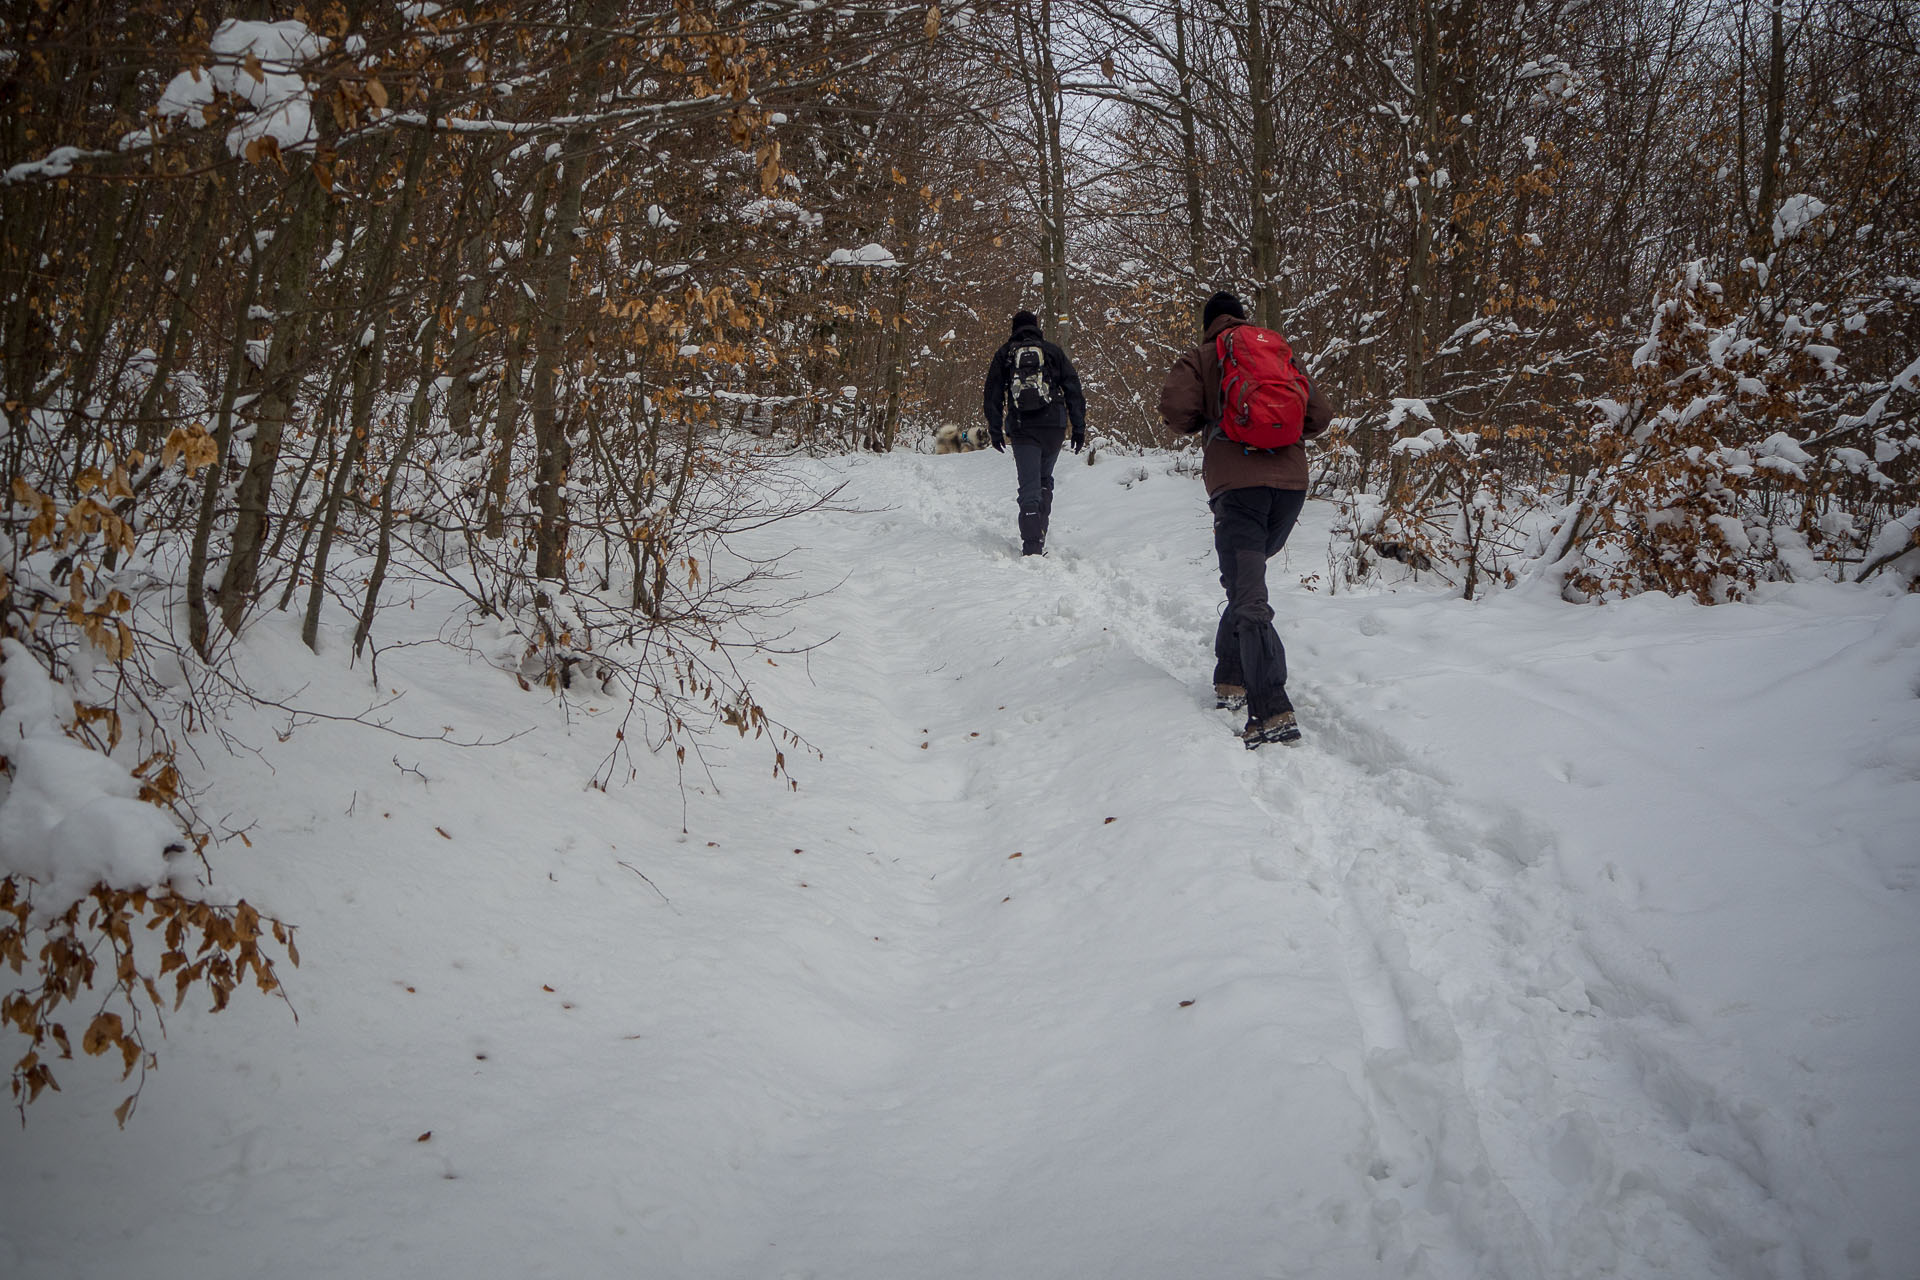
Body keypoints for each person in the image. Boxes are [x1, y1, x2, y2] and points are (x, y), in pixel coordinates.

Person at [1158, 291, 1334, 748]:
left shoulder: (1203, 355)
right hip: (1291, 486)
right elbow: (1320, 414)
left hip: (1238, 487)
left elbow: (1176, 410)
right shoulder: (1274, 347)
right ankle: (1232, 678)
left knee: (1247, 590)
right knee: (1243, 580)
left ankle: (1271, 705)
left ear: (1207, 321)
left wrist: (1212, 422)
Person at [981, 310, 1087, 555]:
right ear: (1036, 327)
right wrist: (1078, 428)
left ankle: (1032, 547)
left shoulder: (1005, 354)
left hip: (1022, 428)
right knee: (1043, 481)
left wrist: (995, 430)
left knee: (1028, 486)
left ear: (1014, 328)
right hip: (1054, 427)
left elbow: (992, 395)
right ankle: (1039, 533)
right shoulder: (1052, 352)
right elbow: (1073, 389)